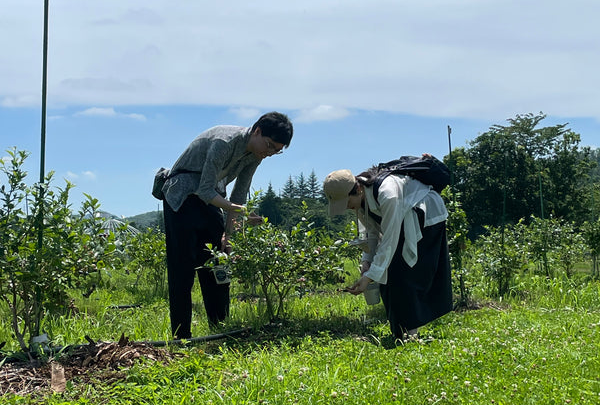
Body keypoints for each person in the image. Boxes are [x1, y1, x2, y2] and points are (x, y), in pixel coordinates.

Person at [160, 112, 293, 339]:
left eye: (275, 151)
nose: (268, 153)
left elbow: (238, 197)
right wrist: (240, 211)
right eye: (269, 145)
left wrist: (228, 238)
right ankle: (181, 336)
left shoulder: (255, 155)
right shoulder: (224, 142)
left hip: (211, 199)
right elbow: (204, 190)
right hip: (182, 196)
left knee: (219, 261)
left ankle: (219, 330)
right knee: (182, 268)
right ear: (257, 131)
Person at [323, 161, 452, 340]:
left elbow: (390, 238)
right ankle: (400, 332)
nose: (346, 207)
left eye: (347, 202)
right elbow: (372, 234)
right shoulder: (361, 203)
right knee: (388, 273)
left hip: (427, 217)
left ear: (358, 189)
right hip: (404, 221)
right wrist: (366, 264)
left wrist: (369, 277)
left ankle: (410, 334)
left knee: (405, 273)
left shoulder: (387, 193)